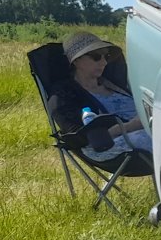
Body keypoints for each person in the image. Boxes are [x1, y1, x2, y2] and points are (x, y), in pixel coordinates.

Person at [51, 31, 151, 164]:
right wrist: (128, 126)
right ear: (76, 60)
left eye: (106, 56)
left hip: (147, 129)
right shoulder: (66, 94)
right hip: (108, 145)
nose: (104, 62)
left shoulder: (114, 84)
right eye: (96, 56)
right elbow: (81, 137)